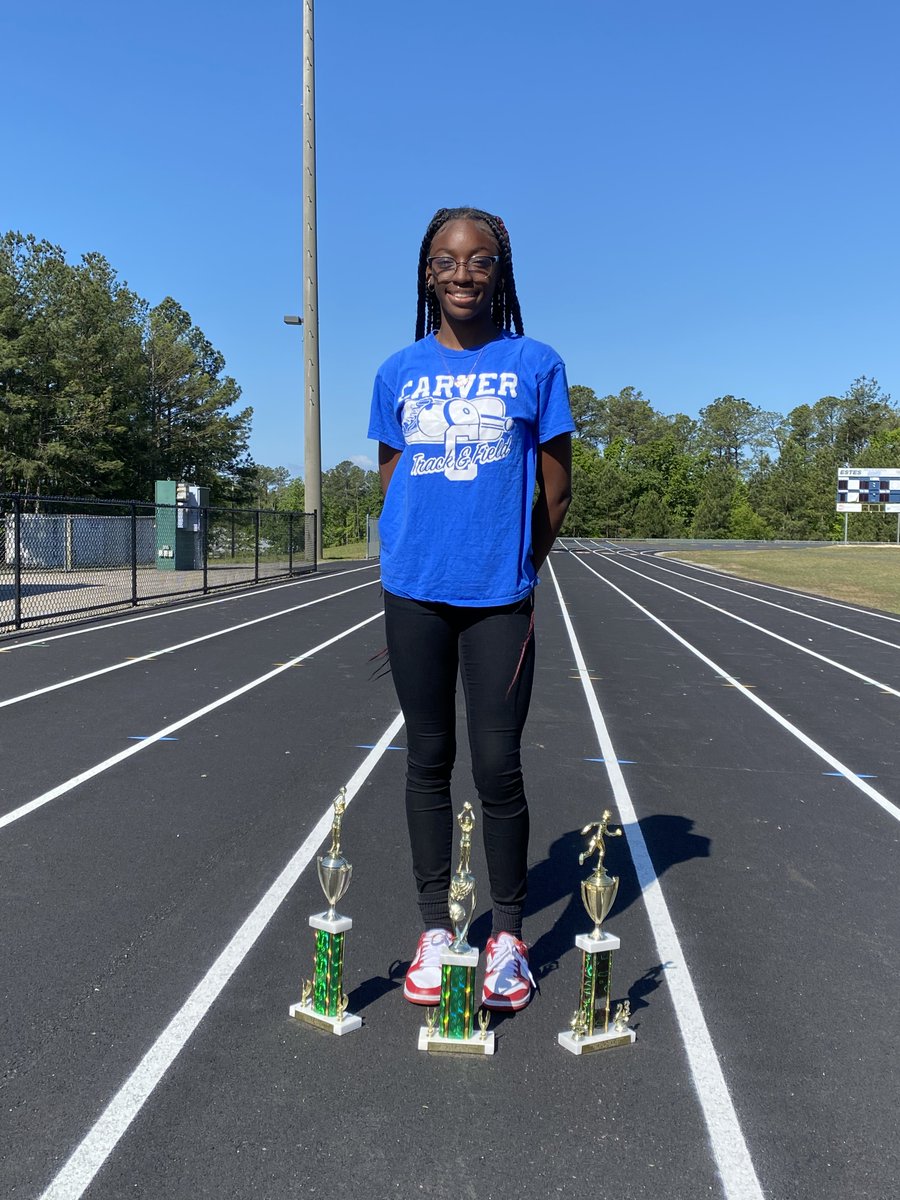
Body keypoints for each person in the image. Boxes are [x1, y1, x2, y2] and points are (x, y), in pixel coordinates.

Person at [368, 206, 574, 1012]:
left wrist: (518, 561)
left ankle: (510, 938)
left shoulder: (537, 363)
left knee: (497, 766)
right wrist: (413, 544)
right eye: (448, 261)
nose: (463, 273)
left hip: (500, 597)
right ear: (427, 272)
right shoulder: (397, 371)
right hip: (412, 590)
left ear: (501, 274)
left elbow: (554, 487)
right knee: (426, 759)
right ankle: (434, 930)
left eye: (480, 261)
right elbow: (394, 472)